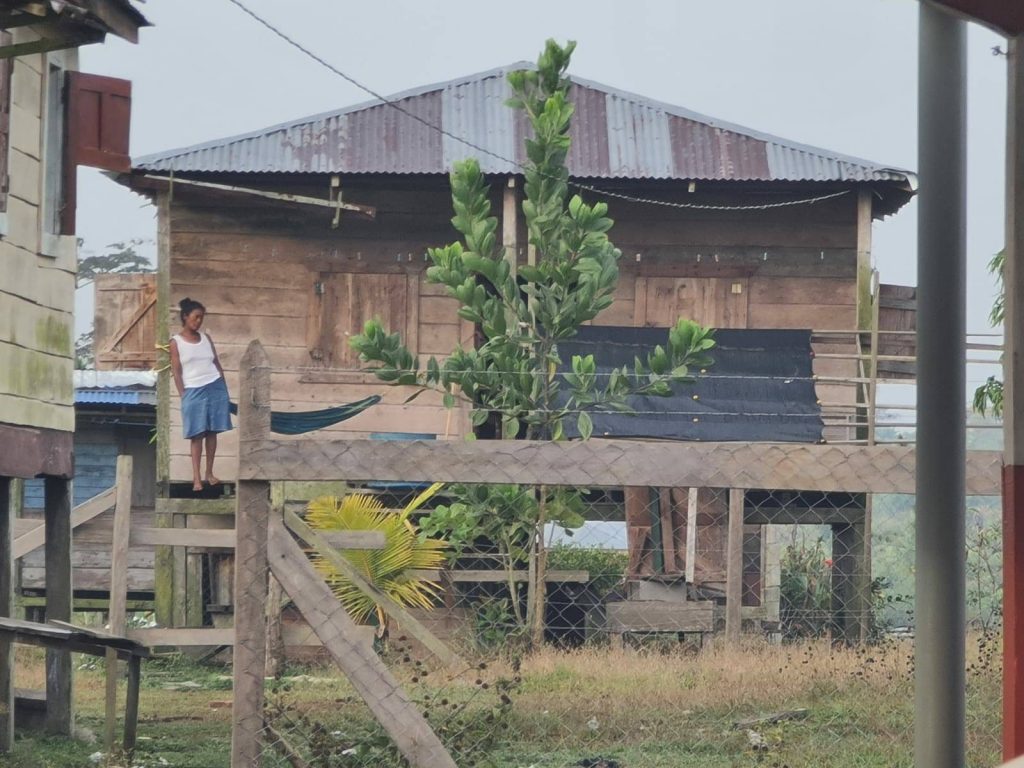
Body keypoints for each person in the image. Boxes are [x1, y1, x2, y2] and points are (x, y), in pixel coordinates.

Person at [169, 297, 232, 492]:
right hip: (193, 390)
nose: (198, 322)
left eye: (201, 318)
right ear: (185, 317)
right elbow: (176, 371)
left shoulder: (206, 338)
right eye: (195, 317)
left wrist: (223, 385)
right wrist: (183, 395)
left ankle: (209, 473)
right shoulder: (176, 342)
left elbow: (216, 363)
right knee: (197, 434)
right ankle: (196, 478)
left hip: (215, 386)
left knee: (212, 431)